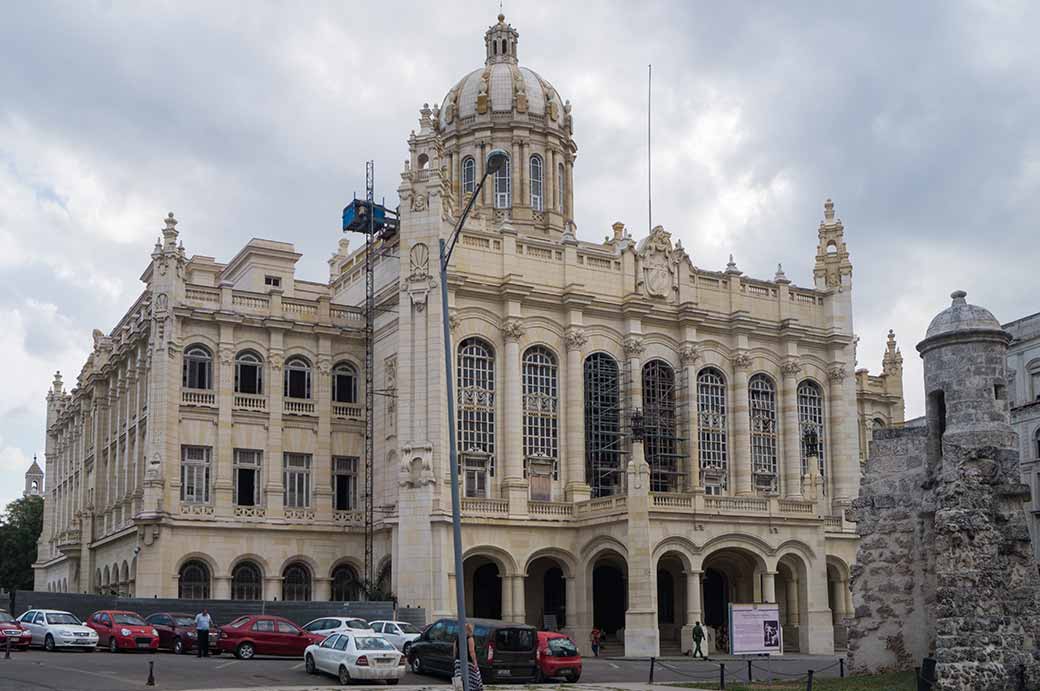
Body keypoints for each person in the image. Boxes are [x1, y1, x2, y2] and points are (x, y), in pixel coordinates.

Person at [452, 623, 483, 691]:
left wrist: (455, 659)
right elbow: (471, 651)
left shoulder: (458, 637)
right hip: (468, 662)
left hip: (458, 661)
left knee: (459, 679)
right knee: (474, 679)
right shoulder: (470, 638)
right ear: (470, 630)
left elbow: (455, 649)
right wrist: (475, 663)